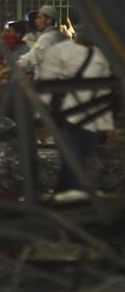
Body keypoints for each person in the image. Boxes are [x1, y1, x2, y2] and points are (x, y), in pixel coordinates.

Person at [38, 24, 114, 193]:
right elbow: (47, 86)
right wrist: (42, 118)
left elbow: (104, 92)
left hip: (91, 116)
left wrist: (107, 127)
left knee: (74, 159)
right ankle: (78, 194)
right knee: (75, 158)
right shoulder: (61, 51)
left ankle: (62, 194)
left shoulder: (100, 56)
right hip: (67, 115)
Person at [17, 5, 65, 77]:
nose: (36, 21)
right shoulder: (58, 35)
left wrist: (14, 66)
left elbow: (32, 56)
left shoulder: (47, 38)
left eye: (40, 18)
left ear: (49, 20)